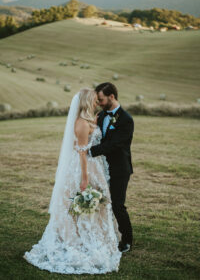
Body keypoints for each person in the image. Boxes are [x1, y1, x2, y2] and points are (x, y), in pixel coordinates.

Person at [23, 88, 121, 274]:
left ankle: (96, 234)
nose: (97, 102)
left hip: (95, 165)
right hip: (83, 167)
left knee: (100, 203)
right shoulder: (81, 124)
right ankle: (76, 238)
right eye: (94, 100)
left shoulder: (91, 119)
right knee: (82, 200)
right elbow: (82, 152)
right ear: (86, 101)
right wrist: (85, 178)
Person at [88, 82, 134, 253]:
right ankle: (104, 234)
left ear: (111, 97)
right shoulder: (100, 116)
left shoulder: (126, 119)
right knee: (100, 203)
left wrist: (89, 152)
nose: (99, 103)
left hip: (119, 168)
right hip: (100, 168)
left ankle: (127, 240)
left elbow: (115, 144)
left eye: (101, 99)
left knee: (117, 204)